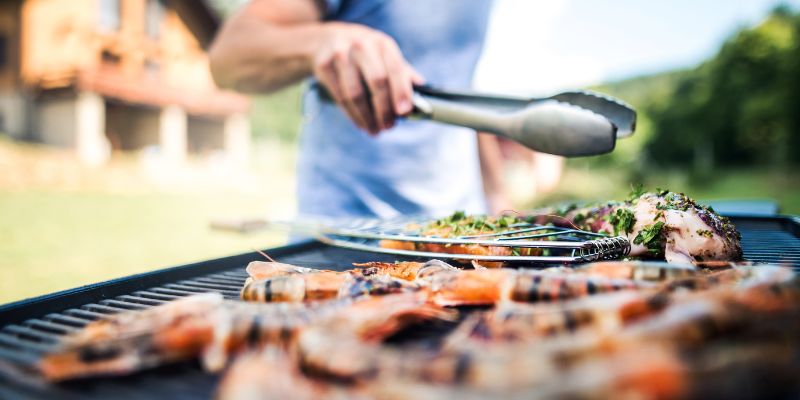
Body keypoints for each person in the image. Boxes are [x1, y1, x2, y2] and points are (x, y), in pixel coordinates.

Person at [209, 0, 510, 219]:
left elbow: (459, 84)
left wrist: (497, 195)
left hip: (458, 226)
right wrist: (322, 40)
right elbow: (228, 56)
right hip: (344, 233)